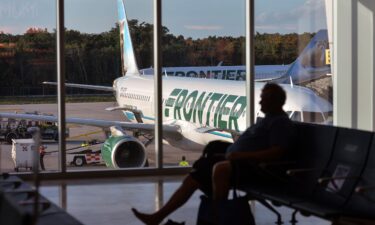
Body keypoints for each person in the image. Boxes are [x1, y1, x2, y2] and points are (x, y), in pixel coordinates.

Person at [132, 83, 296, 225]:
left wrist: (240, 156)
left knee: (213, 170)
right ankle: (162, 216)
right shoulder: (269, 119)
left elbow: (276, 152)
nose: (260, 101)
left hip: (253, 169)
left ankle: (217, 216)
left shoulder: (279, 123)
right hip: (241, 163)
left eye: (264, 98)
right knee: (198, 172)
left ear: (275, 102)